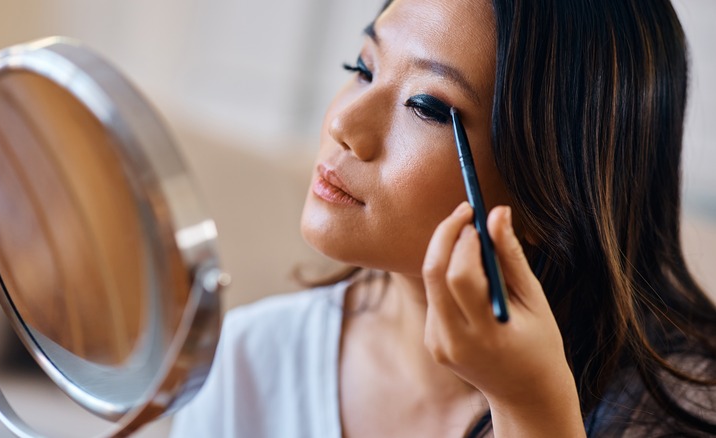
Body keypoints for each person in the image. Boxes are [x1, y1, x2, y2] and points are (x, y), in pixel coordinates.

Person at [171, 0, 716, 436]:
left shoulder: (681, 408)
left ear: (552, 190)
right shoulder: (247, 362)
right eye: (364, 68)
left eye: (427, 106)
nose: (344, 123)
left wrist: (532, 410)